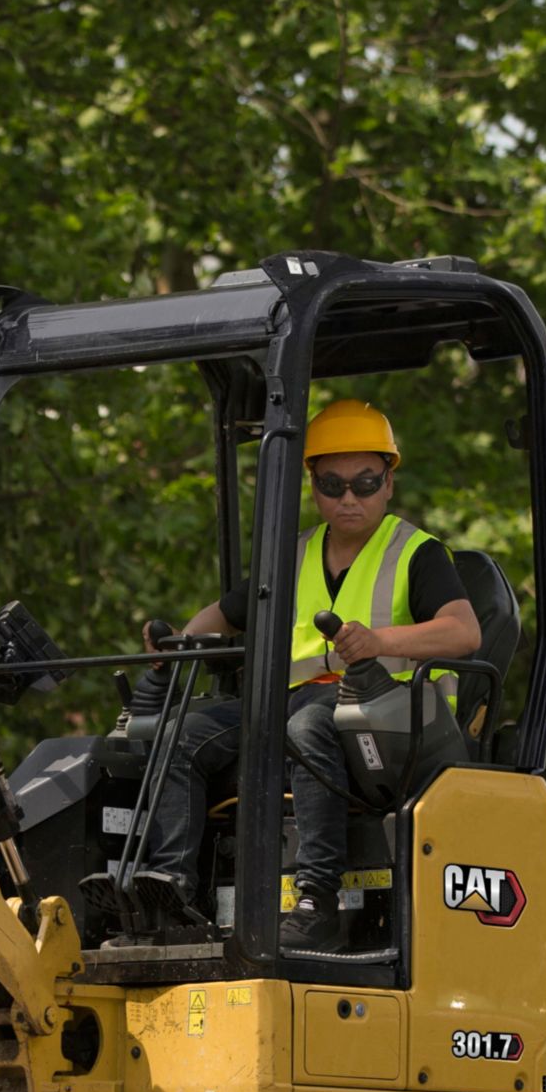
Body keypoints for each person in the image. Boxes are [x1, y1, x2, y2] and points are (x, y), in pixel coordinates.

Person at [80, 396, 480, 951]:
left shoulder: (417, 552)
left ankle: (317, 902)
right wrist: (179, 644)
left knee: (306, 728)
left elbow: (464, 632)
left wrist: (379, 641)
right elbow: (224, 614)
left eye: (364, 483)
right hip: (292, 701)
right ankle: (172, 894)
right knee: (180, 735)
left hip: (385, 716)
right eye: (333, 484)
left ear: (389, 482)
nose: (348, 498)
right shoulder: (294, 556)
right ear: (312, 485)